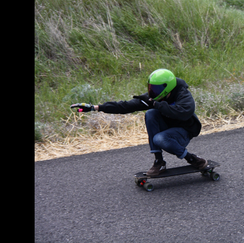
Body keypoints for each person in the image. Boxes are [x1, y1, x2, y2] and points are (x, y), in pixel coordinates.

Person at [70, 68, 207, 176]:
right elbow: (126, 106)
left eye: (156, 89)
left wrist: (157, 105)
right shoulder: (156, 98)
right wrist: (95, 107)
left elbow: (183, 112)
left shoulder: (184, 96)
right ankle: (159, 162)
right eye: (151, 88)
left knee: (159, 138)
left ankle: (191, 158)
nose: (152, 92)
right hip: (168, 127)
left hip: (183, 132)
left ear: (168, 88)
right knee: (151, 114)